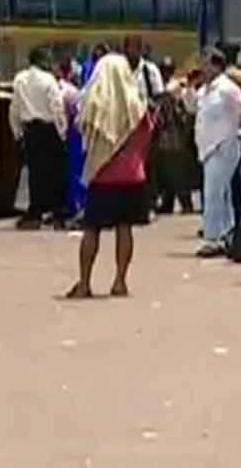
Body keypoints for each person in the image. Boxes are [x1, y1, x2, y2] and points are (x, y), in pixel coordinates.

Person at [64, 54, 153, 298]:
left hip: (101, 175)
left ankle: (84, 283)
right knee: (125, 228)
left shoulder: (93, 104)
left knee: (91, 228)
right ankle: (120, 281)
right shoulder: (137, 104)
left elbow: (81, 132)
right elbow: (147, 135)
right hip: (132, 176)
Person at [195, 48, 241, 257]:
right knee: (221, 194)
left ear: (217, 66)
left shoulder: (227, 89)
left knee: (213, 192)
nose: (203, 68)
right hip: (208, 148)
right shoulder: (205, 90)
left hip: (224, 146)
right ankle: (227, 234)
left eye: (206, 64)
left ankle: (212, 239)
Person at [9, 47, 68, 230]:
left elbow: (15, 108)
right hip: (48, 129)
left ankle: (35, 213)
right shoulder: (48, 80)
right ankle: (57, 213)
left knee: (34, 173)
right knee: (55, 173)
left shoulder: (19, 79)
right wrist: (62, 132)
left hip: (30, 131)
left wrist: (17, 132)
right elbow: (56, 108)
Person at [154, 61, 197, 215]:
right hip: (168, 139)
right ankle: (168, 202)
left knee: (178, 175)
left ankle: (185, 204)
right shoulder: (167, 90)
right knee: (168, 174)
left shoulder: (175, 89)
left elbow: (187, 113)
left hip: (175, 138)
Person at [57, 58, 87, 222]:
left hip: (73, 133)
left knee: (74, 172)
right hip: (73, 133)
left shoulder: (69, 90)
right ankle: (74, 204)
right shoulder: (72, 91)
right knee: (75, 172)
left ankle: (75, 205)